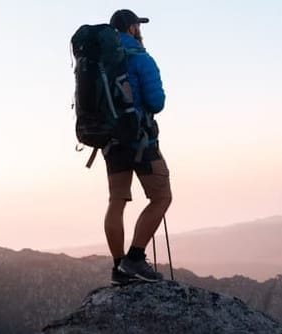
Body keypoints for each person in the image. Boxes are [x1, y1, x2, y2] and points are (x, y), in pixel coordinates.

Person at [105, 9, 172, 284]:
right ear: (132, 29)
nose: (139, 29)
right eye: (137, 25)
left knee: (116, 202)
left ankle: (119, 266)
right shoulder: (141, 58)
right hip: (142, 140)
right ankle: (134, 258)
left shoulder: (101, 61)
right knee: (161, 197)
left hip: (111, 142)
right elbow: (156, 102)